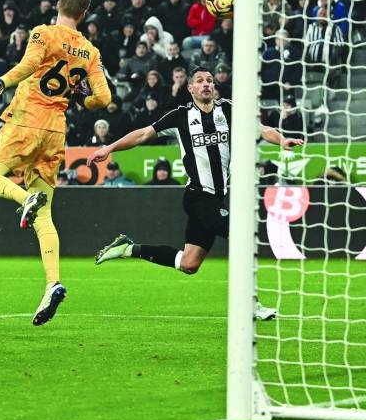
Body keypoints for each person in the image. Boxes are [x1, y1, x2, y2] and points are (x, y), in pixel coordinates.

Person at [88, 67, 303, 321]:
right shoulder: (180, 117)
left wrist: (281, 140)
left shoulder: (228, 110)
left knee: (189, 264)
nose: (206, 84)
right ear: (190, 88)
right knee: (241, 237)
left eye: (210, 81)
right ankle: (251, 304)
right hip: (198, 196)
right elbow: (144, 134)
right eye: (200, 81)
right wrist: (110, 147)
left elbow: (261, 128)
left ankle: (127, 249)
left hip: (216, 198)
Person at [0, 0, 112, 326]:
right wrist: (80, 98)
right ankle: (52, 283)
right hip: (56, 131)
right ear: (84, 14)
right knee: (45, 216)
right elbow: (102, 100)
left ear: (58, 4)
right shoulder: (90, 50)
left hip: (27, 121)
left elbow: (29, 65)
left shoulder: (43, 33)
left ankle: (23, 200)